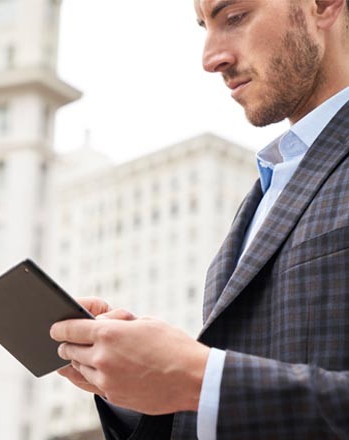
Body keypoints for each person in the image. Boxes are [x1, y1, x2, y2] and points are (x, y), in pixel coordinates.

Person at [49, 0, 349, 438]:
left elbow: (217, 382)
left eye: (235, 17)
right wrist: (141, 386)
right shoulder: (267, 188)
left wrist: (199, 377)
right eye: (204, 27)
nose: (211, 58)